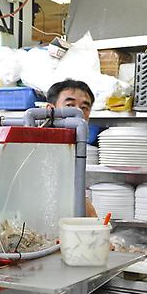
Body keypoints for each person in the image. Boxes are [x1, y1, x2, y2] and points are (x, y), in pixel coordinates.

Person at [47, 79, 97, 217]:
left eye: (84, 107)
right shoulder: (39, 146)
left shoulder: (75, 145)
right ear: (50, 110)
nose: (78, 113)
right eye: (70, 105)